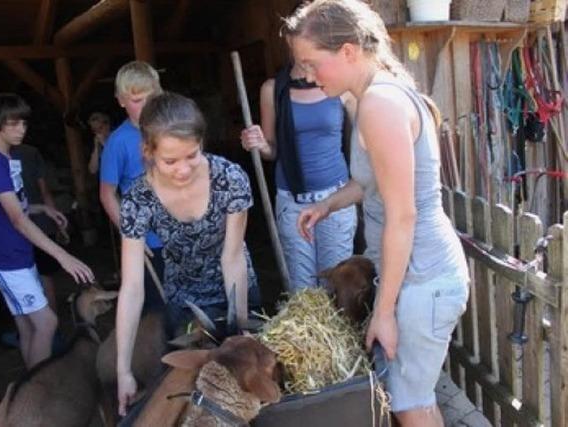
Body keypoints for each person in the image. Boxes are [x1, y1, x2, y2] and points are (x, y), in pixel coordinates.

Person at [287, 1, 469, 426]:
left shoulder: (380, 105)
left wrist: (383, 312)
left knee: (409, 404)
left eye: (312, 63)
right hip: (416, 275)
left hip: (424, 279)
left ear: (348, 51)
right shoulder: (368, 97)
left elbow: (402, 215)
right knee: (417, 395)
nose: (308, 75)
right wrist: (327, 205)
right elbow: (372, 183)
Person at [115, 92, 260, 416]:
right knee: (193, 395)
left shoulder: (230, 179)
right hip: (185, 300)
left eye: (192, 156)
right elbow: (133, 288)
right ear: (148, 152)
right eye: (170, 161)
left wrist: (238, 330)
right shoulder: (137, 200)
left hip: (237, 292)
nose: (183, 169)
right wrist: (123, 370)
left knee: (248, 389)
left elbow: (232, 257)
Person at [0, 92, 94, 369]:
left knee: (27, 327)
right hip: (6, 257)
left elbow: (13, 206)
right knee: (47, 323)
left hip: (12, 252)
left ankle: (31, 384)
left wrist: (41, 209)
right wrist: (64, 256)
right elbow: (16, 219)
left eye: (23, 123)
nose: (20, 130)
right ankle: (40, 390)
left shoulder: (6, 158)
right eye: (12, 124)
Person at [240, 58, 357, 291]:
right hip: (292, 200)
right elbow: (271, 151)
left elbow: (361, 145)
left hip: (336, 199)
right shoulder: (272, 89)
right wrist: (260, 144)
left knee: (335, 286)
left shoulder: (342, 87)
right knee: (301, 293)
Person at [99, 60, 165, 285]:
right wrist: (132, 234)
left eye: (151, 97)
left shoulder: (171, 127)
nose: (146, 105)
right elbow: (107, 194)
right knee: (158, 308)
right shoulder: (117, 142)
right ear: (120, 100)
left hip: (184, 231)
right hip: (150, 239)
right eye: (137, 100)